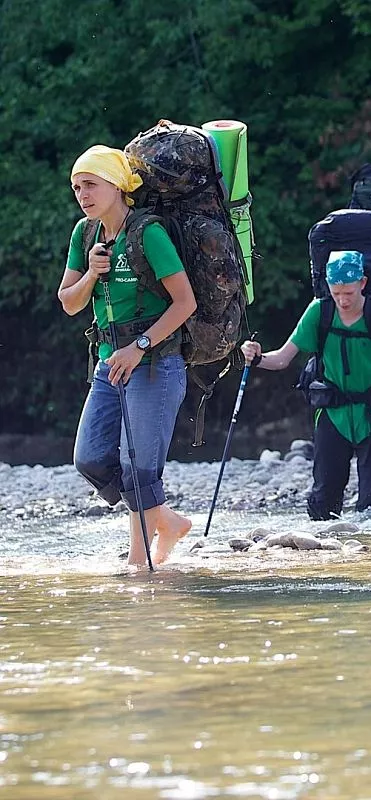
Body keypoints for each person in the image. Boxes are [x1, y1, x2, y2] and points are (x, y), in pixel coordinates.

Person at [59, 145, 198, 567]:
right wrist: (91, 273)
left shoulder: (147, 233)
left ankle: (139, 564)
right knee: (91, 458)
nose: (82, 194)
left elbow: (185, 303)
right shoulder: (85, 234)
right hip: (108, 363)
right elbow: (68, 301)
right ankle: (167, 521)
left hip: (155, 361)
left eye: (90, 184)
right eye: (77, 186)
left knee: (138, 466)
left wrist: (139, 348)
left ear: (117, 185)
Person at [241, 251, 371, 520]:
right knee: (323, 502)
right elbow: (282, 359)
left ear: (363, 283)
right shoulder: (319, 311)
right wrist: (256, 357)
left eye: (349, 293)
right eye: (336, 292)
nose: (342, 300)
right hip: (333, 414)